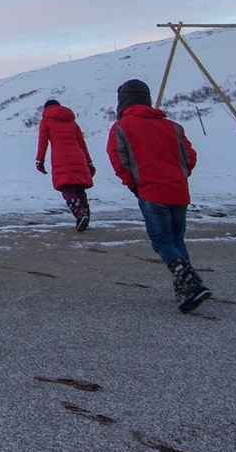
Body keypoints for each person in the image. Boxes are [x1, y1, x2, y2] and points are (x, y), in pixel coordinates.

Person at [106, 78, 210, 313]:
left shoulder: (122, 127)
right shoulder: (172, 126)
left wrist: (134, 184)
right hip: (178, 190)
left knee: (162, 241)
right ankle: (186, 286)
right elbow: (189, 157)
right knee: (176, 239)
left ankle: (190, 282)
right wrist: (179, 176)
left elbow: (119, 160)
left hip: (152, 191)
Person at [35, 98, 95, 231]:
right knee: (79, 186)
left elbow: (42, 142)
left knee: (66, 187)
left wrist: (40, 161)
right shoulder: (72, 122)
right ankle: (86, 212)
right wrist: (89, 162)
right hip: (78, 157)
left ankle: (80, 214)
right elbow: (82, 144)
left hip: (61, 158)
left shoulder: (46, 121)